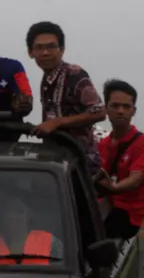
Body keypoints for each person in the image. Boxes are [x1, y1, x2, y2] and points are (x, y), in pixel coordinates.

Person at [26, 21, 106, 172]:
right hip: (58, 161)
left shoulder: (75, 74)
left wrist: (57, 122)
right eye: (39, 48)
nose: (45, 53)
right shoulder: (47, 80)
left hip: (80, 163)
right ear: (30, 52)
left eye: (51, 47)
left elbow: (100, 112)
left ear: (62, 49)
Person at [96, 79, 144, 239]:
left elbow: (136, 178)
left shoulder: (141, 143)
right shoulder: (102, 144)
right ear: (106, 109)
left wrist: (114, 188)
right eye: (115, 106)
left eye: (126, 106)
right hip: (103, 208)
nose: (121, 111)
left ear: (134, 110)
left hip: (127, 215)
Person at [0, 196, 62, 265]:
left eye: (19, 211)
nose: (13, 216)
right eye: (9, 212)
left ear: (29, 214)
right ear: (3, 216)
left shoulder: (50, 242)